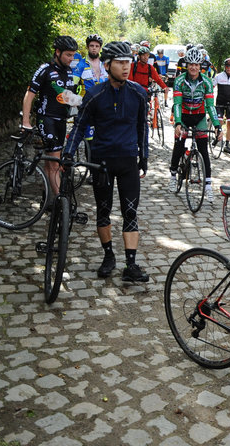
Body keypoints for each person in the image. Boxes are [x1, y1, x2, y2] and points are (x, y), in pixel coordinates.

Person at [63, 41, 150, 282]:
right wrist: (68, 152)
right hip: (101, 161)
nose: (126, 68)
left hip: (127, 161)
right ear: (108, 65)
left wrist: (144, 157)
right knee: (103, 211)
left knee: (130, 212)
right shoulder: (94, 94)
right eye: (121, 63)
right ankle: (108, 255)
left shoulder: (139, 94)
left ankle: (130, 265)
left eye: (128, 63)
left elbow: (143, 126)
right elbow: (79, 126)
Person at [21, 35, 81, 196]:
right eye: (68, 54)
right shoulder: (45, 69)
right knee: (55, 164)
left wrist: (83, 104)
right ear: (57, 52)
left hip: (61, 120)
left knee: (52, 162)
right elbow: (30, 94)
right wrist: (25, 121)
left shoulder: (68, 71)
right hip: (46, 118)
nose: (71, 58)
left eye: (73, 54)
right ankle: (61, 201)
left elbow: (66, 95)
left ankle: (49, 197)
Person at [168, 47, 222, 203]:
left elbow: (210, 106)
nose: (193, 67)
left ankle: (208, 186)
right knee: (179, 145)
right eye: (190, 64)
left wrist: (217, 125)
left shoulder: (206, 82)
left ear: (200, 66)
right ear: (187, 65)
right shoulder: (179, 81)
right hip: (183, 116)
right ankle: (173, 174)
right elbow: (177, 104)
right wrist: (178, 123)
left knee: (203, 149)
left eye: (196, 65)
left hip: (199, 117)